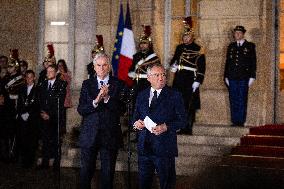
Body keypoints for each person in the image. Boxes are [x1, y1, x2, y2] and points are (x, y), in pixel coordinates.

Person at [132, 63, 187, 189]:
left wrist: (166, 127)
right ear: (148, 77)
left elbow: (183, 120)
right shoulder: (141, 95)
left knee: (167, 184)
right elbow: (134, 118)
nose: (161, 78)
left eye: (163, 75)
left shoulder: (174, 95)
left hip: (164, 148)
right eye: (157, 75)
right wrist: (136, 124)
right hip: (145, 148)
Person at [77, 53, 126, 189]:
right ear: (94, 67)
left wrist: (107, 98)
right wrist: (95, 101)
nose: (102, 68)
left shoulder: (118, 84)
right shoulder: (87, 84)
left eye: (105, 65)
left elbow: (122, 110)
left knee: (108, 174)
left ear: (109, 66)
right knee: (86, 172)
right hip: (90, 135)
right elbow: (81, 109)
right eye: (99, 65)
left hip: (110, 135)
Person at [169, 17, 206, 135]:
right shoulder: (179, 48)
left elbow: (201, 66)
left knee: (189, 105)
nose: (185, 38)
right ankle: (179, 126)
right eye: (184, 36)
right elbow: (175, 59)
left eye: (187, 36)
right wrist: (173, 66)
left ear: (192, 37)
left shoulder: (198, 49)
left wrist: (198, 80)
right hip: (179, 78)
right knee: (177, 103)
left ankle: (188, 127)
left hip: (190, 79)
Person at [224, 25, 256, 126]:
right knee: (233, 99)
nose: (236, 35)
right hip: (232, 77)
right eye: (235, 33)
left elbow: (253, 62)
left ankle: (241, 121)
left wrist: (252, 76)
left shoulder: (250, 46)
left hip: (244, 77)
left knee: (242, 98)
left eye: (239, 33)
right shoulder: (231, 46)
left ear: (243, 34)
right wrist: (226, 76)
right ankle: (234, 120)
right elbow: (227, 62)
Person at [38, 64, 67, 170]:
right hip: (43, 116)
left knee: (55, 140)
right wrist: (42, 112)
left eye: (51, 71)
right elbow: (40, 99)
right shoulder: (43, 84)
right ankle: (45, 162)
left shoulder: (62, 84)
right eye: (47, 71)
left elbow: (58, 102)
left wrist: (49, 114)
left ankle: (56, 162)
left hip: (55, 117)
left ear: (56, 73)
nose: (48, 73)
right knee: (45, 140)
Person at [17, 70, 39, 168]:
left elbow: (37, 105)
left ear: (34, 78)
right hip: (22, 117)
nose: (29, 79)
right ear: (25, 78)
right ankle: (23, 160)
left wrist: (28, 114)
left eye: (31, 77)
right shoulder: (21, 88)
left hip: (32, 118)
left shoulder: (38, 89)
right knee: (23, 139)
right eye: (27, 77)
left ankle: (30, 161)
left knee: (32, 140)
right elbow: (19, 104)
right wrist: (20, 114)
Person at [128, 26, 160, 94]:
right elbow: (132, 68)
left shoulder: (154, 57)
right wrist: (131, 72)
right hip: (137, 81)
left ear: (149, 45)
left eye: (145, 43)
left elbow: (157, 71)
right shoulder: (136, 56)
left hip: (148, 82)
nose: (142, 45)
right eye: (141, 43)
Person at [57, 59, 72, 134]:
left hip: (65, 96)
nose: (60, 67)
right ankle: (59, 128)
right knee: (59, 114)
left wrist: (62, 74)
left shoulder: (67, 73)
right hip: (58, 97)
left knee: (63, 114)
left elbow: (67, 83)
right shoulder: (57, 74)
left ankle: (63, 129)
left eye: (61, 65)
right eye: (59, 65)